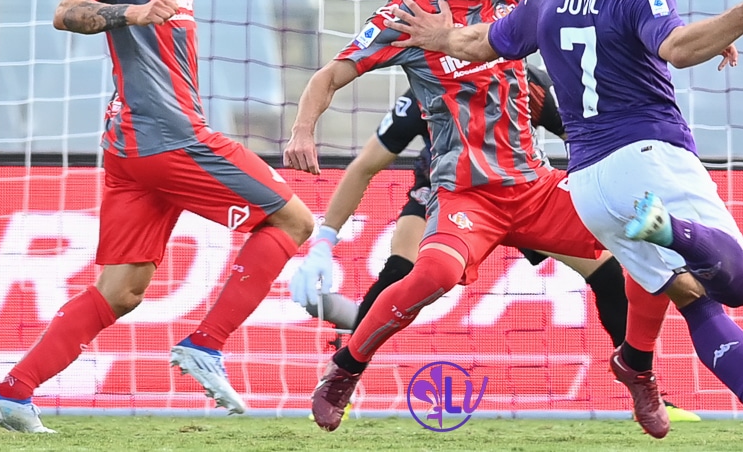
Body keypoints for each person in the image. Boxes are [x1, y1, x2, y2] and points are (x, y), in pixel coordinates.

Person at [387, 0, 743, 442]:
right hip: (648, 161)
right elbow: (679, 48)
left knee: (689, 296)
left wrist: (439, 34)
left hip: (589, 186)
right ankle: (671, 232)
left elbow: (477, 44)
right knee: (737, 283)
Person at [285, 0, 677, 437]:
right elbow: (328, 77)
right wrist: (303, 130)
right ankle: (345, 369)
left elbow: (596, 22)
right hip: (467, 192)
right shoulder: (407, 14)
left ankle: (637, 367)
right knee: (432, 275)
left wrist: (678, 42)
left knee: (646, 244)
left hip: (536, 187)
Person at [0, 0, 320, 433]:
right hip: (171, 135)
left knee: (122, 289)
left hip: (134, 148)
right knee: (293, 222)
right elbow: (67, 11)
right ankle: (205, 345)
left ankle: (13, 391)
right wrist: (132, 12)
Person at [290, 74, 702, 423]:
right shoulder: (426, 86)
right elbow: (366, 165)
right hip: (448, 193)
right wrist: (325, 239)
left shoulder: (527, 81)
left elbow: (580, 139)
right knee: (406, 269)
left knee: (612, 272)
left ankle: (647, 390)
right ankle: (345, 369)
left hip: (524, 194)